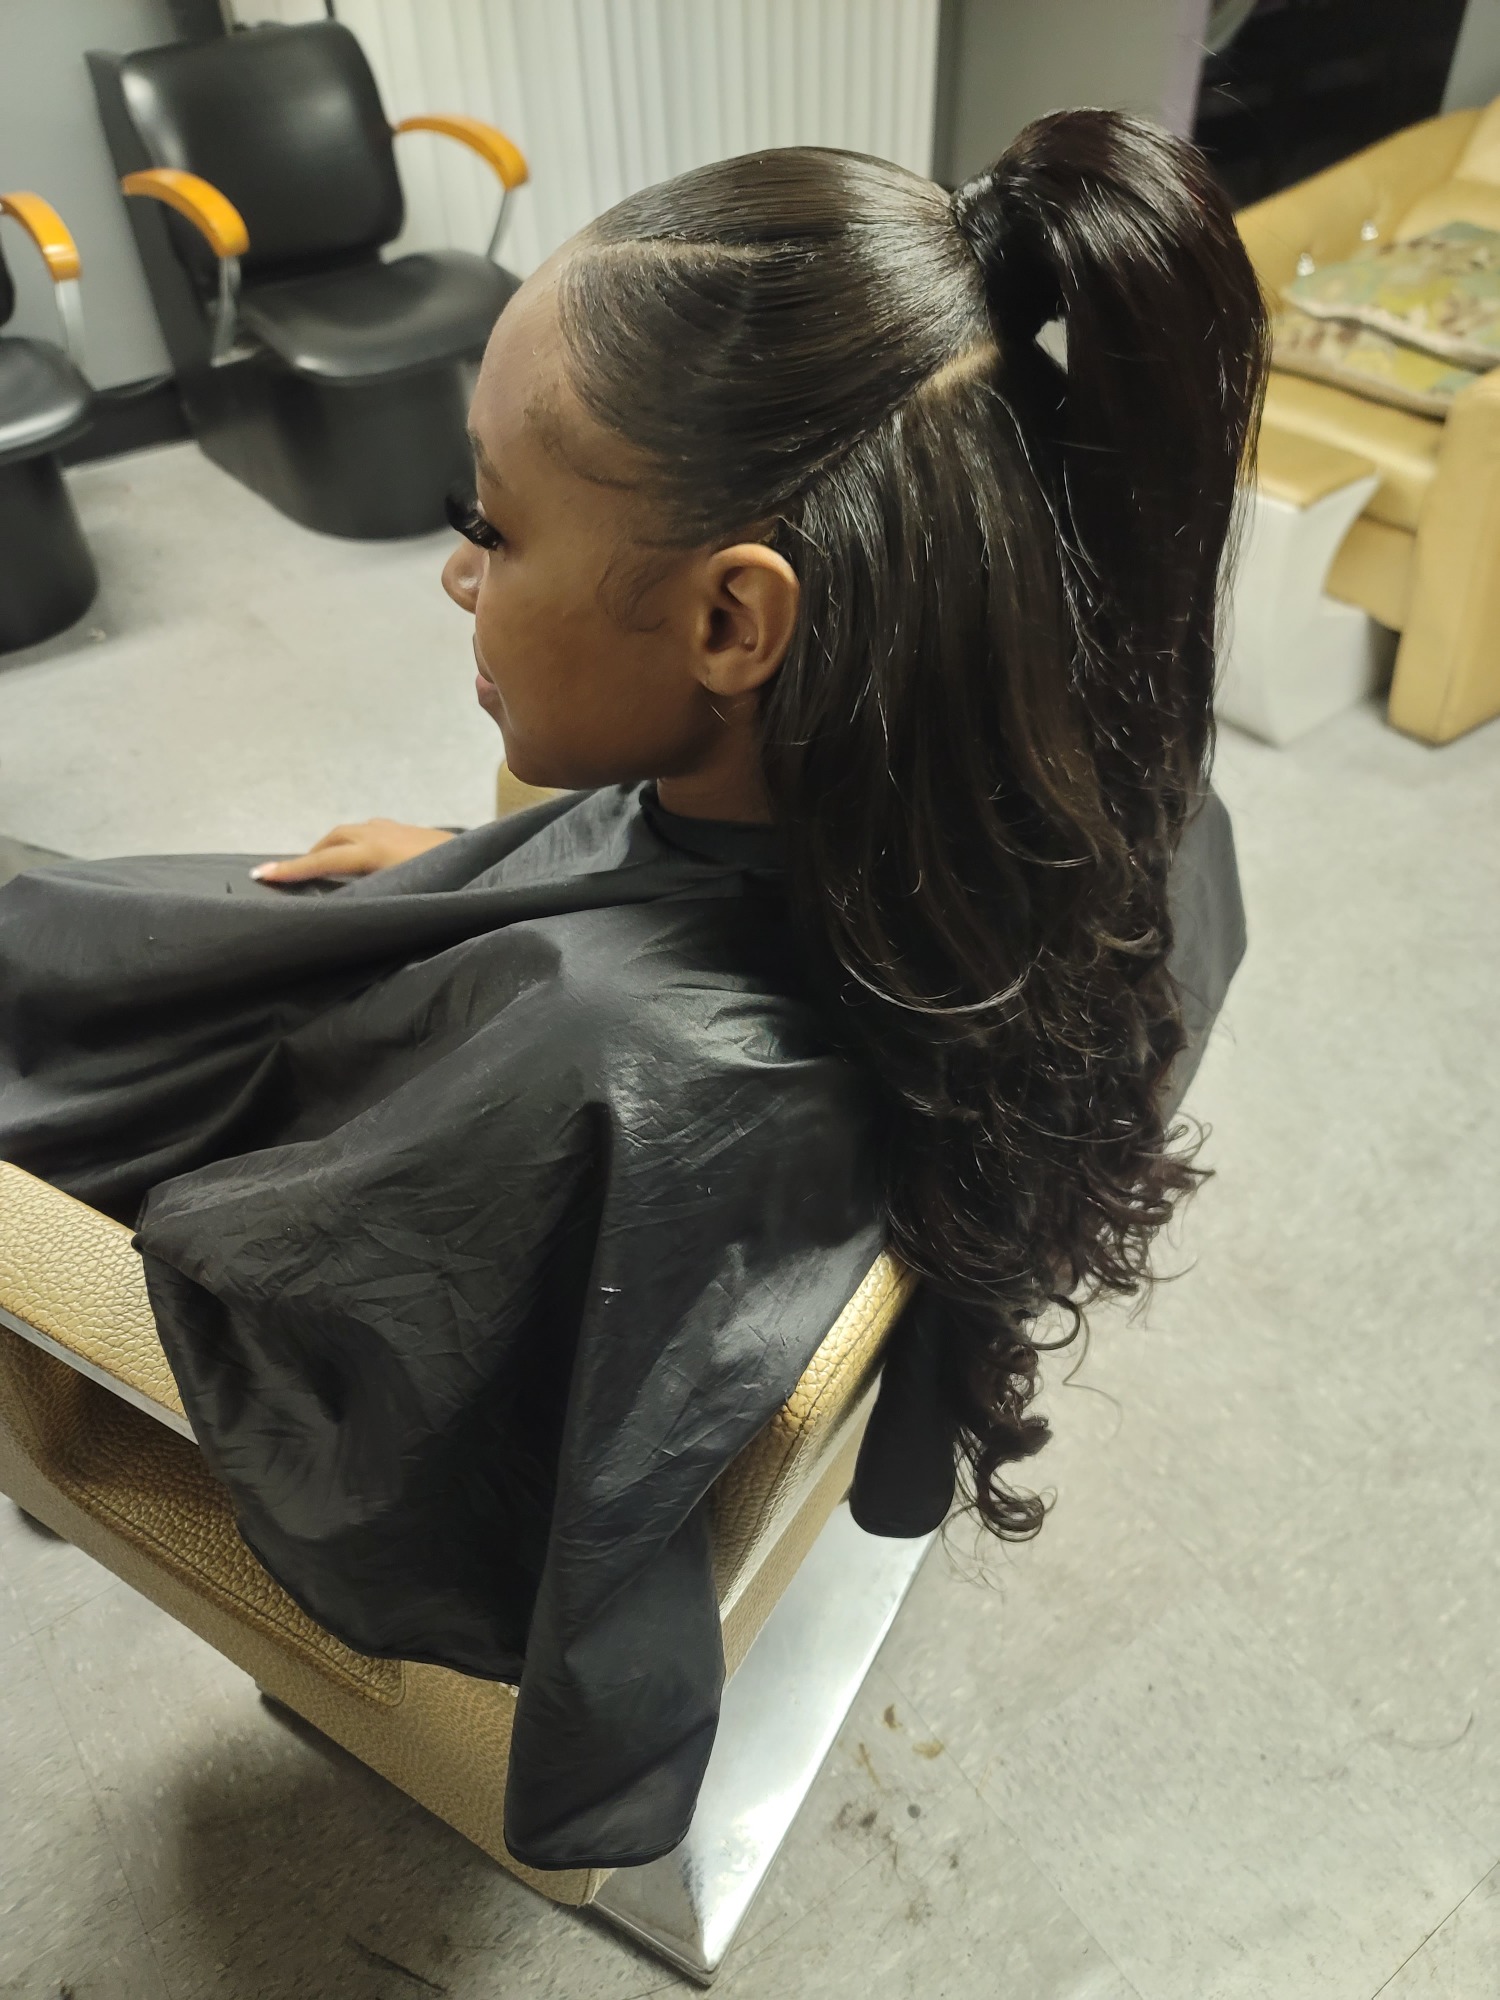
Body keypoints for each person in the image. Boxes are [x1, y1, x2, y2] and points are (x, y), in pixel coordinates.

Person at [0, 111, 1262, 1868]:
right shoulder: (1104, 815)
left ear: (739, 628)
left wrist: (495, 920)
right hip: (530, 984)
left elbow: (339, 1368)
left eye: (490, 528)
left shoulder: (623, 1077)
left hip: (416, 1090)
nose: (455, 573)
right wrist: (479, 868)